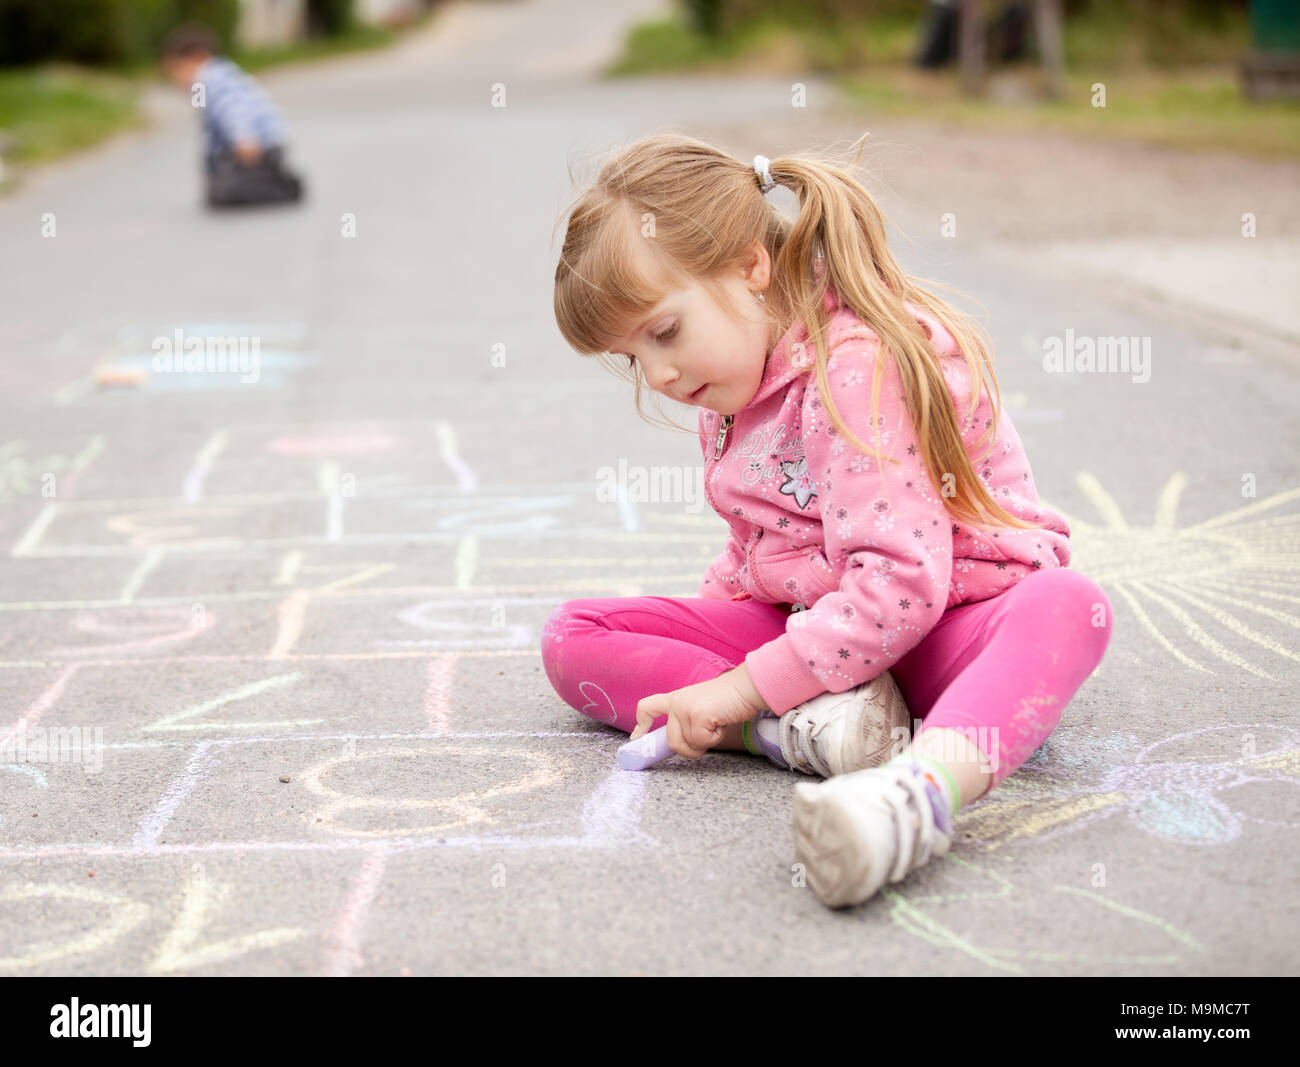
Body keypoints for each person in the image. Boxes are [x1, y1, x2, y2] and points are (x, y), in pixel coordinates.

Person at [544, 132, 1112, 909]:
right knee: (576, 635)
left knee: (1066, 607)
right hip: (823, 636)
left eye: (665, 331)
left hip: (946, 632)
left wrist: (741, 685)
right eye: (633, 356)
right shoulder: (732, 381)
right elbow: (756, 550)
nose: (662, 375)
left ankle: (913, 797)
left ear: (750, 266)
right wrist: (731, 661)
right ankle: (804, 730)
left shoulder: (857, 366)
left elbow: (903, 588)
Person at [159, 23, 304, 208]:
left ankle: (283, 186)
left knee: (225, 193)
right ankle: (269, 180)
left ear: (198, 57)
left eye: (177, 70)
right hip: (249, 150)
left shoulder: (213, 78)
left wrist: (243, 136)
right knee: (217, 192)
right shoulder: (213, 79)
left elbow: (234, 106)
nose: (175, 80)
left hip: (258, 149)